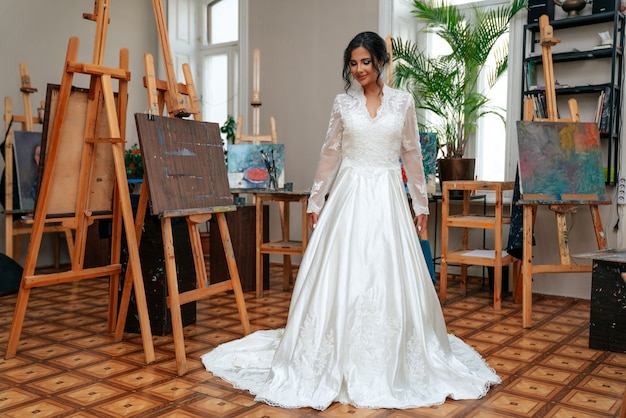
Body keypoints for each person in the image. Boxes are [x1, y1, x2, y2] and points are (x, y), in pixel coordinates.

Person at [201, 31, 500, 410]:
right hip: (350, 193)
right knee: (343, 272)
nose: (358, 69)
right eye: (353, 62)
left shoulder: (402, 102)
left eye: (365, 62)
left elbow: (411, 155)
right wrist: (316, 198)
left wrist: (420, 205)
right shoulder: (343, 104)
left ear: (380, 63)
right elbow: (330, 152)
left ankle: (392, 359)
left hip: (389, 196)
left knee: (387, 273)